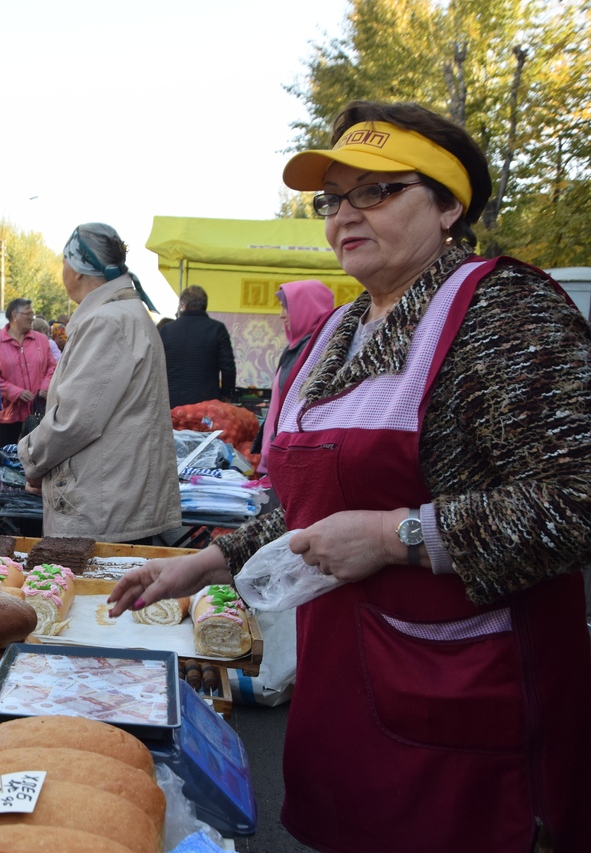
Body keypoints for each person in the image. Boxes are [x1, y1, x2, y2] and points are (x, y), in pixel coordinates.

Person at [108, 101, 591, 852]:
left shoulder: (503, 310)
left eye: (377, 191)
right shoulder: (337, 330)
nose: (344, 217)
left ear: (448, 204)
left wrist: (401, 537)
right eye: (333, 199)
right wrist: (205, 564)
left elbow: (576, 499)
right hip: (343, 685)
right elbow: (311, 502)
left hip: (464, 700)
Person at [18, 223, 180, 544]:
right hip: (115, 497)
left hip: (105, 505)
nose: (62, 269)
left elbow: (75, 420)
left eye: (64, 260)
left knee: (93, 593)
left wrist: (32, 460)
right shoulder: (122, 313)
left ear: (77, 269)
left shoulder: (108, 320)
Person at [254, 280, 335, 475]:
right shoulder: (297, 348)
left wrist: (274, 444)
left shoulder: (315, 352)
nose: (282, 315)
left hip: (291, 455)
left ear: (307, 308)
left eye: (286, 307)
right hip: (282, 451)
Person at [0, 298, 56, 449]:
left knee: (37, 460)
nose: (32, 317)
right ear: (14, 315)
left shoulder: (41, 340)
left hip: (38, 412)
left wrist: (44, 387)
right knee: (7, 461)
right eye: (28, 313)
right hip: (8, 414)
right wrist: (14, 391)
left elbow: (53, 366)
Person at [159, 285, 236, 406]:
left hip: (172, 404)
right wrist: (227, 394)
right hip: (207, 404)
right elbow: (228, 368)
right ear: (205, 305)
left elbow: (156, 367)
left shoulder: (166, 330)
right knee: (204, 425)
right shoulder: (217, 329)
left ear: (183, 305)